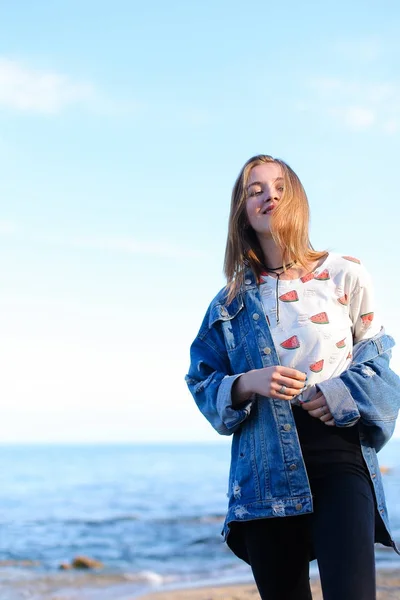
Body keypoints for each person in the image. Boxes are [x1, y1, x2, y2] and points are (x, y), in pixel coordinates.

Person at [185, 154, 400, 600]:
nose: (270, 196)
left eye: (280, 186)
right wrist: (247, 383)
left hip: (339, 455)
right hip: (263, 471)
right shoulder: (227, 304)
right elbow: (201, 380)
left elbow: (380, 366)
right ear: (242, 209)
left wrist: (342, 393)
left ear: (297, 199)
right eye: (255, 189)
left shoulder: (345, 273)